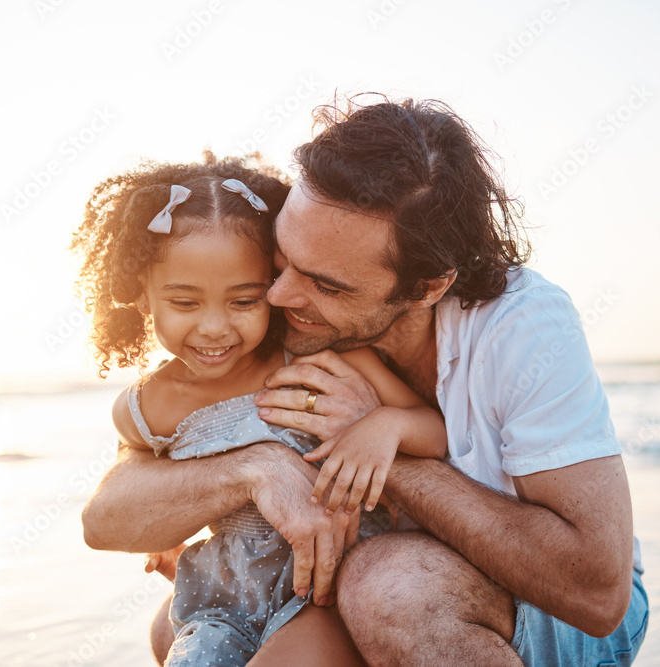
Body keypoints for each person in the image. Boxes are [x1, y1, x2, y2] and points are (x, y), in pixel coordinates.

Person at [82, 97, 649, 666]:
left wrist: (375, 449)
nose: (278, 298)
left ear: (428, 287)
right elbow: (112, 508)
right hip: (384, 581)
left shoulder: (524, 328)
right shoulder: (272, 318)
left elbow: (597, 596)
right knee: (178, 626)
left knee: (387, 589)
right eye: (281, 260)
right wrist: (251, 471)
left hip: (547, 611)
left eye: (325, 285)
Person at [71, 154, 447, 666]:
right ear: (143, 298)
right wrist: (159, 538)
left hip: (324, 587)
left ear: (272, 288)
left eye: (243, 301)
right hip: (219, 598)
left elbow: (438, 433)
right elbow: (137, 490)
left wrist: (386, 425)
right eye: (185, 303)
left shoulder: (323, 360)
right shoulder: (145, 408)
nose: (214, 328)